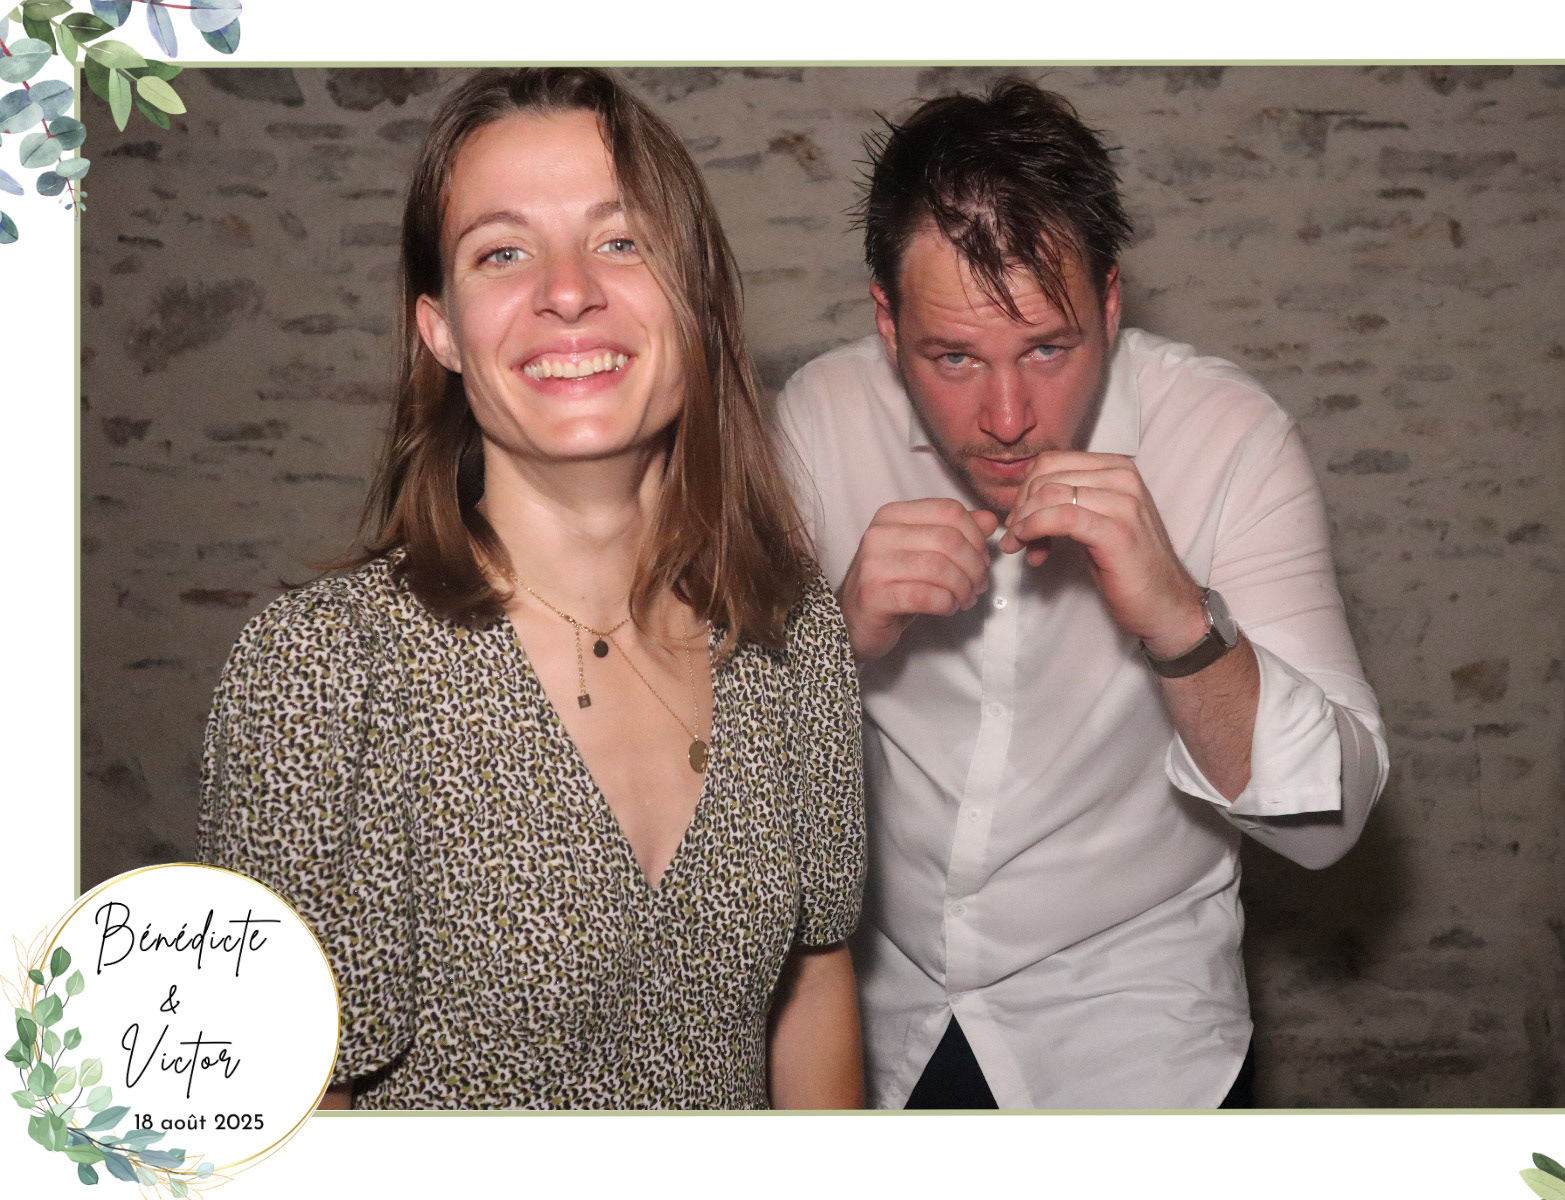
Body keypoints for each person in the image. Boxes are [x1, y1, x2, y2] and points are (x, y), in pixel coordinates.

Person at [197, 68, 865, 1110]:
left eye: (622, 240)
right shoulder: (323, 671)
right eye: (502, 252)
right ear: (441, 331)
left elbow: (816, 988)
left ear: (696, 299)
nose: (567, 290)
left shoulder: (793, 631)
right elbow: (286, 1109)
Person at [773, 78, 1388, 1109]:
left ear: (1109, 303)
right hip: (879, 1020)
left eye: (1047, 349)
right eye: (954, 357)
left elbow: (1327, 827)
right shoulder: (821, 416)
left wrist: (1181, 625)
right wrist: (835, 639)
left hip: (1135, 1033)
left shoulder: (1228, 437)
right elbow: (716, 771)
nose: (1008, 416)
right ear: (886, 321)